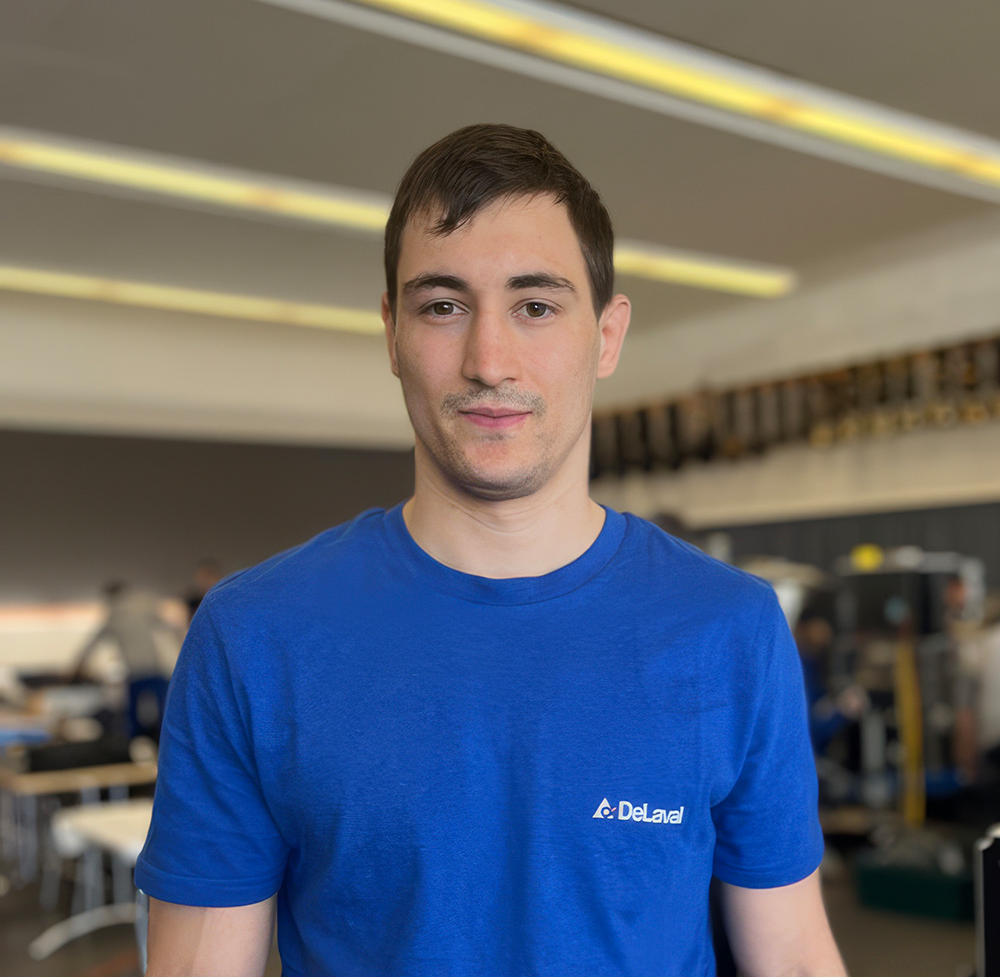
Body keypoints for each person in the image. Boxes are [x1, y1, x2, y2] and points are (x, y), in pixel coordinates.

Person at [136, 125, 847, 976]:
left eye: (535, 306)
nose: (489, 360)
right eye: (443, 306)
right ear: (392, 333)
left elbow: (793, 957)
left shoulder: (731, 628)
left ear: (607, 335)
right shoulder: (254, 636)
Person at [70, 581, 181, 740]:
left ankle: (135, 741)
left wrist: (77, 667)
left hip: (138, 673)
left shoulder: (115, 618)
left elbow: (92, 644)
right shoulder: (142, 611)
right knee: (165, 713)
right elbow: (170, 629)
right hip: (153, 670)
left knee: (135, 719)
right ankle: (163, 739)